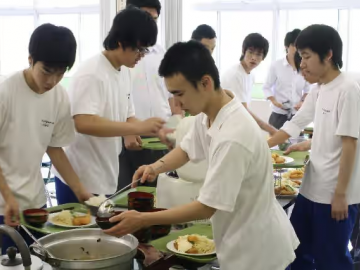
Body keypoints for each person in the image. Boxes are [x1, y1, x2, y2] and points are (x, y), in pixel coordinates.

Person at [103, 40, 299, 270]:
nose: (176, 103)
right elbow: (187, 149)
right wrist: (156, 167)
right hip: (238, 238)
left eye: (180, 93)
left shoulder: (234, 136)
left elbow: (206, 207)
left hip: (256, 250)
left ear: (205, 83)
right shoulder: (208, 113)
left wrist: (143, 218)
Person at [268, 24, 360, 270]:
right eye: (301, 56)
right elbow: (296, 122)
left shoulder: (349, 88)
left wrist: (341, 195)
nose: (303, 63)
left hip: (334, 194)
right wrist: (260, 145)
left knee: (332, 260)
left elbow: (350, 144)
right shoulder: (319, 88)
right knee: (297, 252)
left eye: (307, 56)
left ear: (328, 54)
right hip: (311, 189)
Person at [53, 7, 165, 204]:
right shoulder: (92, 72)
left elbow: (127, 114)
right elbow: (84, 122)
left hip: (105, 175)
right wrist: (135, 127)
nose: (142, 55)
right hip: (79, 179)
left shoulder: (124, 71)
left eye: (145, 50)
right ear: (121, 42)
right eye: (139, 49)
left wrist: (153, 131)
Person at [0, 23, 92, 253]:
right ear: (31, 60)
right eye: (47, 71)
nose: (52, 80)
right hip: (3, 206)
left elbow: (55, 149)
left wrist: (81, 191)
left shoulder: (59, 97)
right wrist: (8, 197)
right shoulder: (5, 93)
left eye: (61, 73)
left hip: (36, 204)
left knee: (37, 261)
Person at [118, 0, 182, 190]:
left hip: (161, 139)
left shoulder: (162, 53)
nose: (151, 24)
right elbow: (117, 98)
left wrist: (177, 125)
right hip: (130, 140)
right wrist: (126, 132)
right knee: (128, 197)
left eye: (154, 19)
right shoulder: (120, 54)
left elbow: (172, 95)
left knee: (158, 197)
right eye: (146, 17)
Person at [221, 33, 277, 135]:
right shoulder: (235, 74)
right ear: (243, 51)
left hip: (235, 124)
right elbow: (243, 110)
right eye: (250, 52)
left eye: (258, 54)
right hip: (224, 126)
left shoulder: (250, 74)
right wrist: (270, 129)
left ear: (263, 57)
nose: (254, 58)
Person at [263, 29, 310, 129]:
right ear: (286, 46)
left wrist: (302, 102)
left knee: (296, 143)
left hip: (296, 115)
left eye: (299, 46)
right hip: (278, 115)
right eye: (294, 45)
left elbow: (308, 89)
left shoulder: (304, 66)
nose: (297, 49)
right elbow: (266, 87)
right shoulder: (276, 65)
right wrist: (274, 101)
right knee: (276, 143)